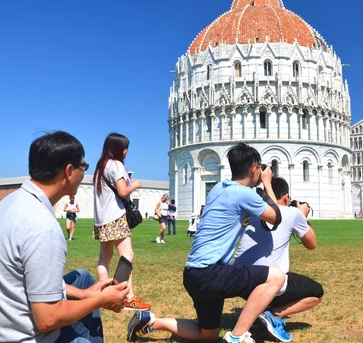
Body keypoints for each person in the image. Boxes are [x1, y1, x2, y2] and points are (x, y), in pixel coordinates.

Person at [0, 131, 129, 343]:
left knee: (83, 278)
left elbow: (28, 278)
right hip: (18, 336)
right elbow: (47, 319)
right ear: (68, 171)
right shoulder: (43, 227)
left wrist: (86, 295)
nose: (84, 172)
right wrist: (100, 300)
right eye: (82, 166)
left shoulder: (11, 202)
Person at [127, 142, 285, 343]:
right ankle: (237, 337)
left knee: (207, 335)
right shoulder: (243, 193)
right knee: (276, 277)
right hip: (211, 272)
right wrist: (268, 183)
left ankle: (150, 322)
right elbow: (275, 218)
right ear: (254, 169)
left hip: (193, 272)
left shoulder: (219, 188)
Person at [234, 177, 324, 341]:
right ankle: (274, 315)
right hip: (269, 282)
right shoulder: (292, 213)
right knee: (317, 293)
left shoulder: (251, 212)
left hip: (241, 281)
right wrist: (302, 216)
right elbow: (312, 244)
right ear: (286, 198)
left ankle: (260, 313)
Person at [93, 133, 151, 311]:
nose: (126, 151)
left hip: (101, 219)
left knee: (105, 257)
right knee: (127, 256)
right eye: (125, 147)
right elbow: (123, 192)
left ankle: (104, 294)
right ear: (118, 149)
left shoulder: (100, 166)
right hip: (115, 217)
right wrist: (135, 184)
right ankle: (127, 296)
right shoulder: (116, 165)